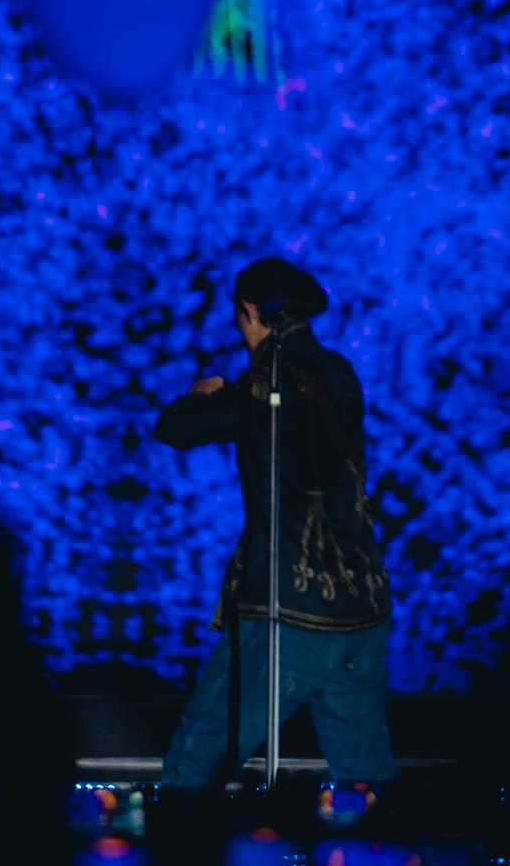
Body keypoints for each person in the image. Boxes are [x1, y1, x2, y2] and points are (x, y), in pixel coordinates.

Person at [152, 258, 395, 788]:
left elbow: (174, 429)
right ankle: (394, 842)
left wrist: (200, 396)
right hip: (361, 607)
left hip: (290, 612)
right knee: (368, 778)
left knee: (197, 762)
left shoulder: (265, 387)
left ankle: (175, 845)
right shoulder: (339, 373)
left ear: (249, 311)